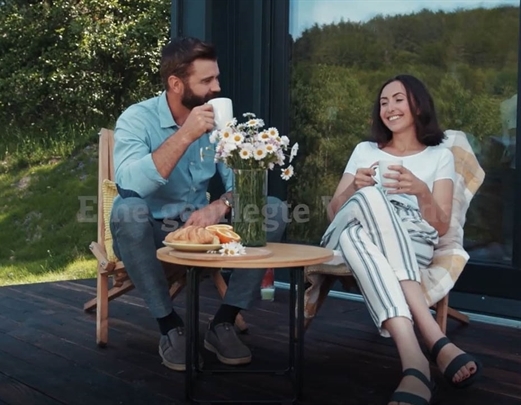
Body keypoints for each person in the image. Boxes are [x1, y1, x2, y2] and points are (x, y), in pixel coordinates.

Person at [109, 37, 287, 372]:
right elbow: (129, 185)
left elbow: (243, 188)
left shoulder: (219, 121)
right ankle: (169, 327)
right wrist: (186, 134)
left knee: (273, 208)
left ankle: (223, 321)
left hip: (202, 231)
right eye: (207, 81)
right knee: (126, 209)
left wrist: (221, 204)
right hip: (153, 231)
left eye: (216, 78)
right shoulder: (136, 119)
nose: (216, 88)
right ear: (176, 84)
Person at [323, 75, 481, 405]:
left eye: (398, 99)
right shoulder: (365, 151)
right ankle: (432, 336)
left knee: (356, 236)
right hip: (347, 227)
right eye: (383, 102)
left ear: (418, 104)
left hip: (410, 243)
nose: (389, 108)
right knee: (368, 202)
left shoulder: (440, 156)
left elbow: (438, 227)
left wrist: (420, 190)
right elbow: (334, 213)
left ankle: (415, 362)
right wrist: (357, 188)